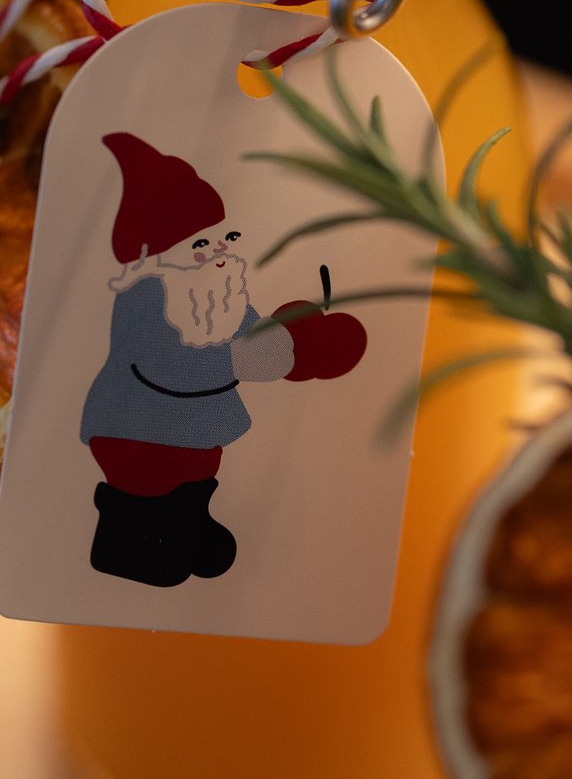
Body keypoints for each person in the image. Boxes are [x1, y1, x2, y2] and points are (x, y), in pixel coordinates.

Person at [80, 131, 367, 587]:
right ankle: (128, 550)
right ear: (160, 255)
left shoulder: (221, 292)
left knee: (197, 470)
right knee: (147, 485)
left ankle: (189, 525)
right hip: (135, 425)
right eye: (200, 244)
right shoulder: (147, 295)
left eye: (222, 237)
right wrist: (241, 361)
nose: (218, 251)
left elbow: (248, 333)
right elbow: (163, 367)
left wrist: (289, 342)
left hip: (191, 426)